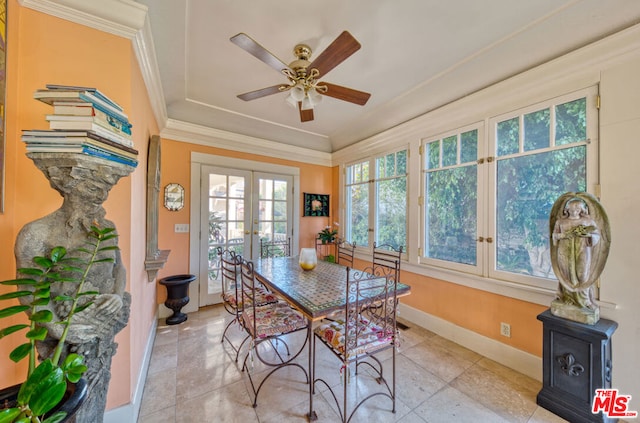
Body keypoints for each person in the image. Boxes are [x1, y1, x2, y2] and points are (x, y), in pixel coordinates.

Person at [15, 153, 134, 423]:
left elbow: (119, 268)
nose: (101, 196)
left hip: (102, 333)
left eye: (106, 188)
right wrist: (59, 329)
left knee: (97, 392)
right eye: (93, 187)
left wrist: (117, 294)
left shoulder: (106, 228)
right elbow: (28, 291)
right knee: (67, 406)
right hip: (61, 343)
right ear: (66, 184)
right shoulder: (36, 233)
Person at [550, 194, 605, 312]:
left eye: (577, 209)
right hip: (564, 252)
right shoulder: (561, 222)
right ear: (567, 209)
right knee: (566, 275)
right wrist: (564, 235)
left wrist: (588, 235)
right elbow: (554, 237)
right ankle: (567, 299)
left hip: (582, 250)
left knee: (582, 275)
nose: (574, 212)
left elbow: (596, 235)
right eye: (572, 209)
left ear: (581, 210)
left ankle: (585, 300)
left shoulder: (587, 221)